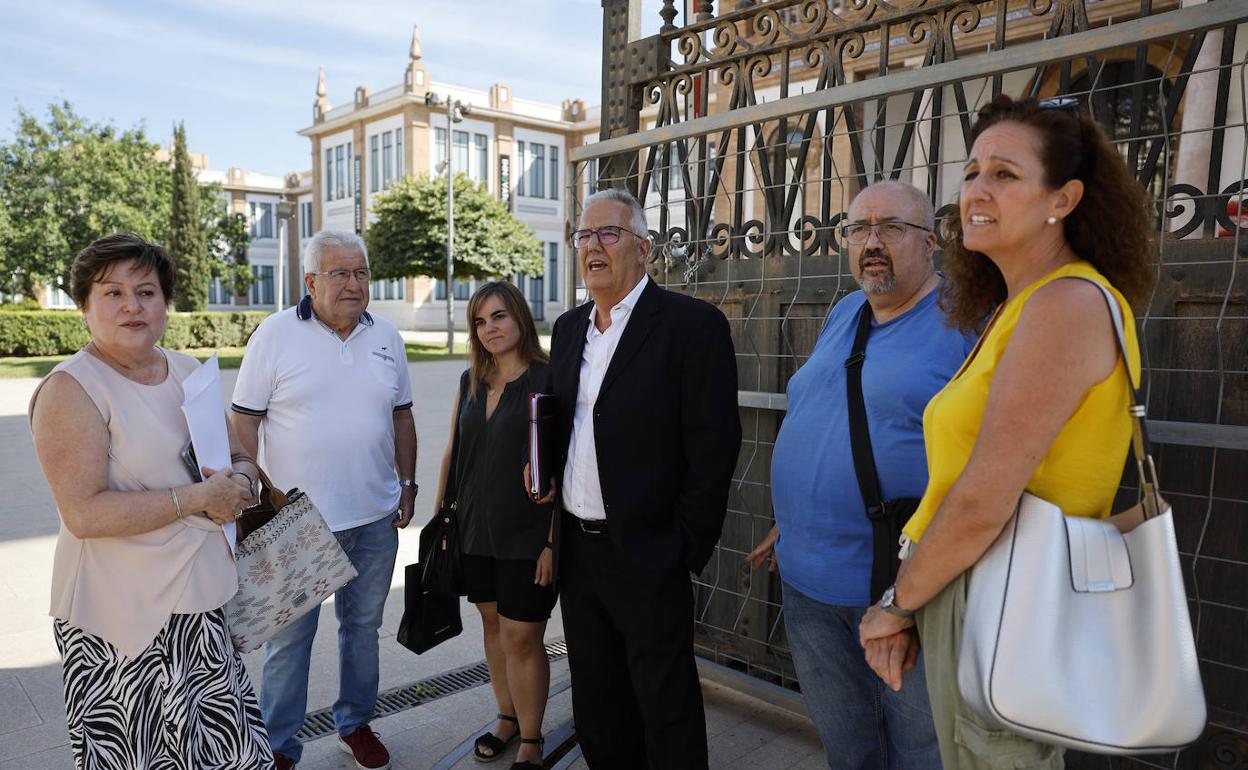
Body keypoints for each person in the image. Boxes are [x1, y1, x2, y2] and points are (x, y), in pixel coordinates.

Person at [859, 95, 1155, 769]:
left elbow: (981, 502)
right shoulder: (1022, 305)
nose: (976, 191)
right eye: (970, 173)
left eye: (1005, 174)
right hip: (979, 589)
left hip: (1004, 598)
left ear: (1064, 198)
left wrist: (895, 606)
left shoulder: (1066, 306)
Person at [746, 181, 971, 768]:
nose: (872, 242)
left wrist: (908, 593)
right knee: (848, 748)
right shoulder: (847, 311)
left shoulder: (966, 320)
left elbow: (980, 463)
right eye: (858, 229)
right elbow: (825, 412)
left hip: (900, 590)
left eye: (891, 228)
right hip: (805, 581)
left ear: (930, 243)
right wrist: (793, 518)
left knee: (919, 751)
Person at [28, 233, 273, 768]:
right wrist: (199, 497)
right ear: (85, 307)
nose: (132, 306)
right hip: (121, 619)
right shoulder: (72, 389)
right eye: (112, 293)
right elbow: (84, 513)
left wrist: (243, 480)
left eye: (147, 291)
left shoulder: (187, 370)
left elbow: (238, 452)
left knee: (230, 754)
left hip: (202, 604)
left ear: (166, 302)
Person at [529, 187, 741, 769]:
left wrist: (681, 548)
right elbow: (563, 417)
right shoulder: (570, 328)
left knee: (664, 702)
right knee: (598, 699)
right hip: (580, 550)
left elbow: (714, 447)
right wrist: (543, 468)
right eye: (583, 236)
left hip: (650, 551)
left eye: (608, 234)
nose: (592, 246)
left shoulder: (691, 327)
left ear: (645, 249)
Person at [230, 230, 418, 770]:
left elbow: (402, 416)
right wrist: (250, 501)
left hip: (375, 518)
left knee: (362, 632)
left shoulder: (387, 336)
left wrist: (407, 486)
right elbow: (244, 421)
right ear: (311, 281)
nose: (353, 284)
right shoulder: (273, 336)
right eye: (340, 274)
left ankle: (355, 722)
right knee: (290, 645)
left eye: (361, 273)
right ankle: (278, 746)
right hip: (297, 526)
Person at [436, 281, 556, 769]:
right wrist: (442, 516)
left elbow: (563, 464)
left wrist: (553, 542)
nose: (490, 329)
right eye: (480, 321)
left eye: (499, 316)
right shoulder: (469, 381)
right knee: (492, 623)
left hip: (528, 534)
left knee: (522, 635)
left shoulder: (549, 379)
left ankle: (531, 739)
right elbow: (452, 450)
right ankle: (506, 717)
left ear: (521, 318)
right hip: (473, 531)